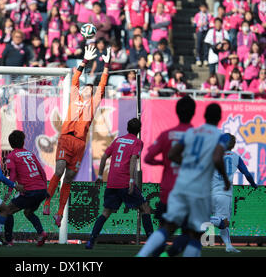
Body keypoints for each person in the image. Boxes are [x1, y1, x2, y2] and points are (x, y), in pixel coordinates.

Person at [137, 103, 231, 257]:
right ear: (220, 118)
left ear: (204, 116)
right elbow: (216, 157)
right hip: (199, 189)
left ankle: (142, 255)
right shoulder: (221, 136)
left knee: (167, 227)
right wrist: (225, 179)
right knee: (196, 234)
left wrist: (188, 164)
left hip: (180, 185)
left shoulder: (192, 133)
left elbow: (172, 154)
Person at [43, 45, 110, 227]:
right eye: (86, 89)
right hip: (66, 137)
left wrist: (106, 66)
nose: (89, 90)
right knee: (59, 170)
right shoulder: (75, 98)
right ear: (81, 92)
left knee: (70, 177)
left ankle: (59, 213)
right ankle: (47, 202)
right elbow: (74, 80)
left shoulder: (93, 104)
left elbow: (102, 86)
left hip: (80, 143)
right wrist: (84, 61)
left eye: (91, 89)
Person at [85, 118, 154, 249]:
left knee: (105, 212)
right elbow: (134, 158)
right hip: (125, 182)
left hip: (112, 182)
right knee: (145, 208)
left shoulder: (117, 140)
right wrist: (132, 180)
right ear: (139, 130)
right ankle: (152, 242)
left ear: (127, 128)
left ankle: (91, 241)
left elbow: (104, 156)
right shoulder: (137, 142)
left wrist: (100, 175)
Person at [143, 95, 196, 257]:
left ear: (177, 112)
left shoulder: (167, 134)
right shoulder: (199, 137)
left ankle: (149, 254)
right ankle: (168, 254)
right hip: (189, 190)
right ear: (193, 112)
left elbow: (148, 157)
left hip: (168, 189)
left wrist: (163, 163)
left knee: (164, 228)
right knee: (190, 233)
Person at [210, 133, 258, 253]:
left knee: (223, 222)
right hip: (224, 194)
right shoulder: (236, 157)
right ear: (233, 145)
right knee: (223, 222)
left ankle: (228, 246)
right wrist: (253, 185)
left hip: (210, 192)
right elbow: (247, 174)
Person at [2, 130, 49, 246]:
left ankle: (9, 241)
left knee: (7, 211)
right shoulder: (30, 154)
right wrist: (45, 188)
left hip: (30, 191)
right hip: (41, 190)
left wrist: (9, 191)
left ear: (11, 144)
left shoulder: (11, 156)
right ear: (23, 142)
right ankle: (41, 233)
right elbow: (42, 171)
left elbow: (12, 175)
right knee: (28, 212)